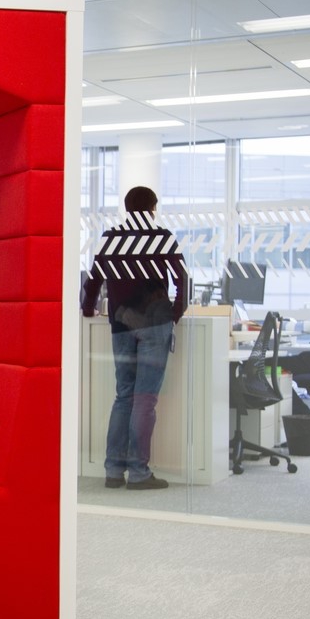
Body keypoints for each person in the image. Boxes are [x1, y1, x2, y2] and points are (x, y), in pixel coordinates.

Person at [82, 186, 188, 490]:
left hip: (121, 325)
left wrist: (88, 309)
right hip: (154, 324)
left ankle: (114, 471)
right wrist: (174, 314)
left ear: (127, 209)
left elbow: (93, 280)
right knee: (145, 399)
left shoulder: (112, 238)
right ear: (152, 208)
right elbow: (183, 279)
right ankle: (139, 473)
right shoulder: (161, 237)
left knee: (124, 396)